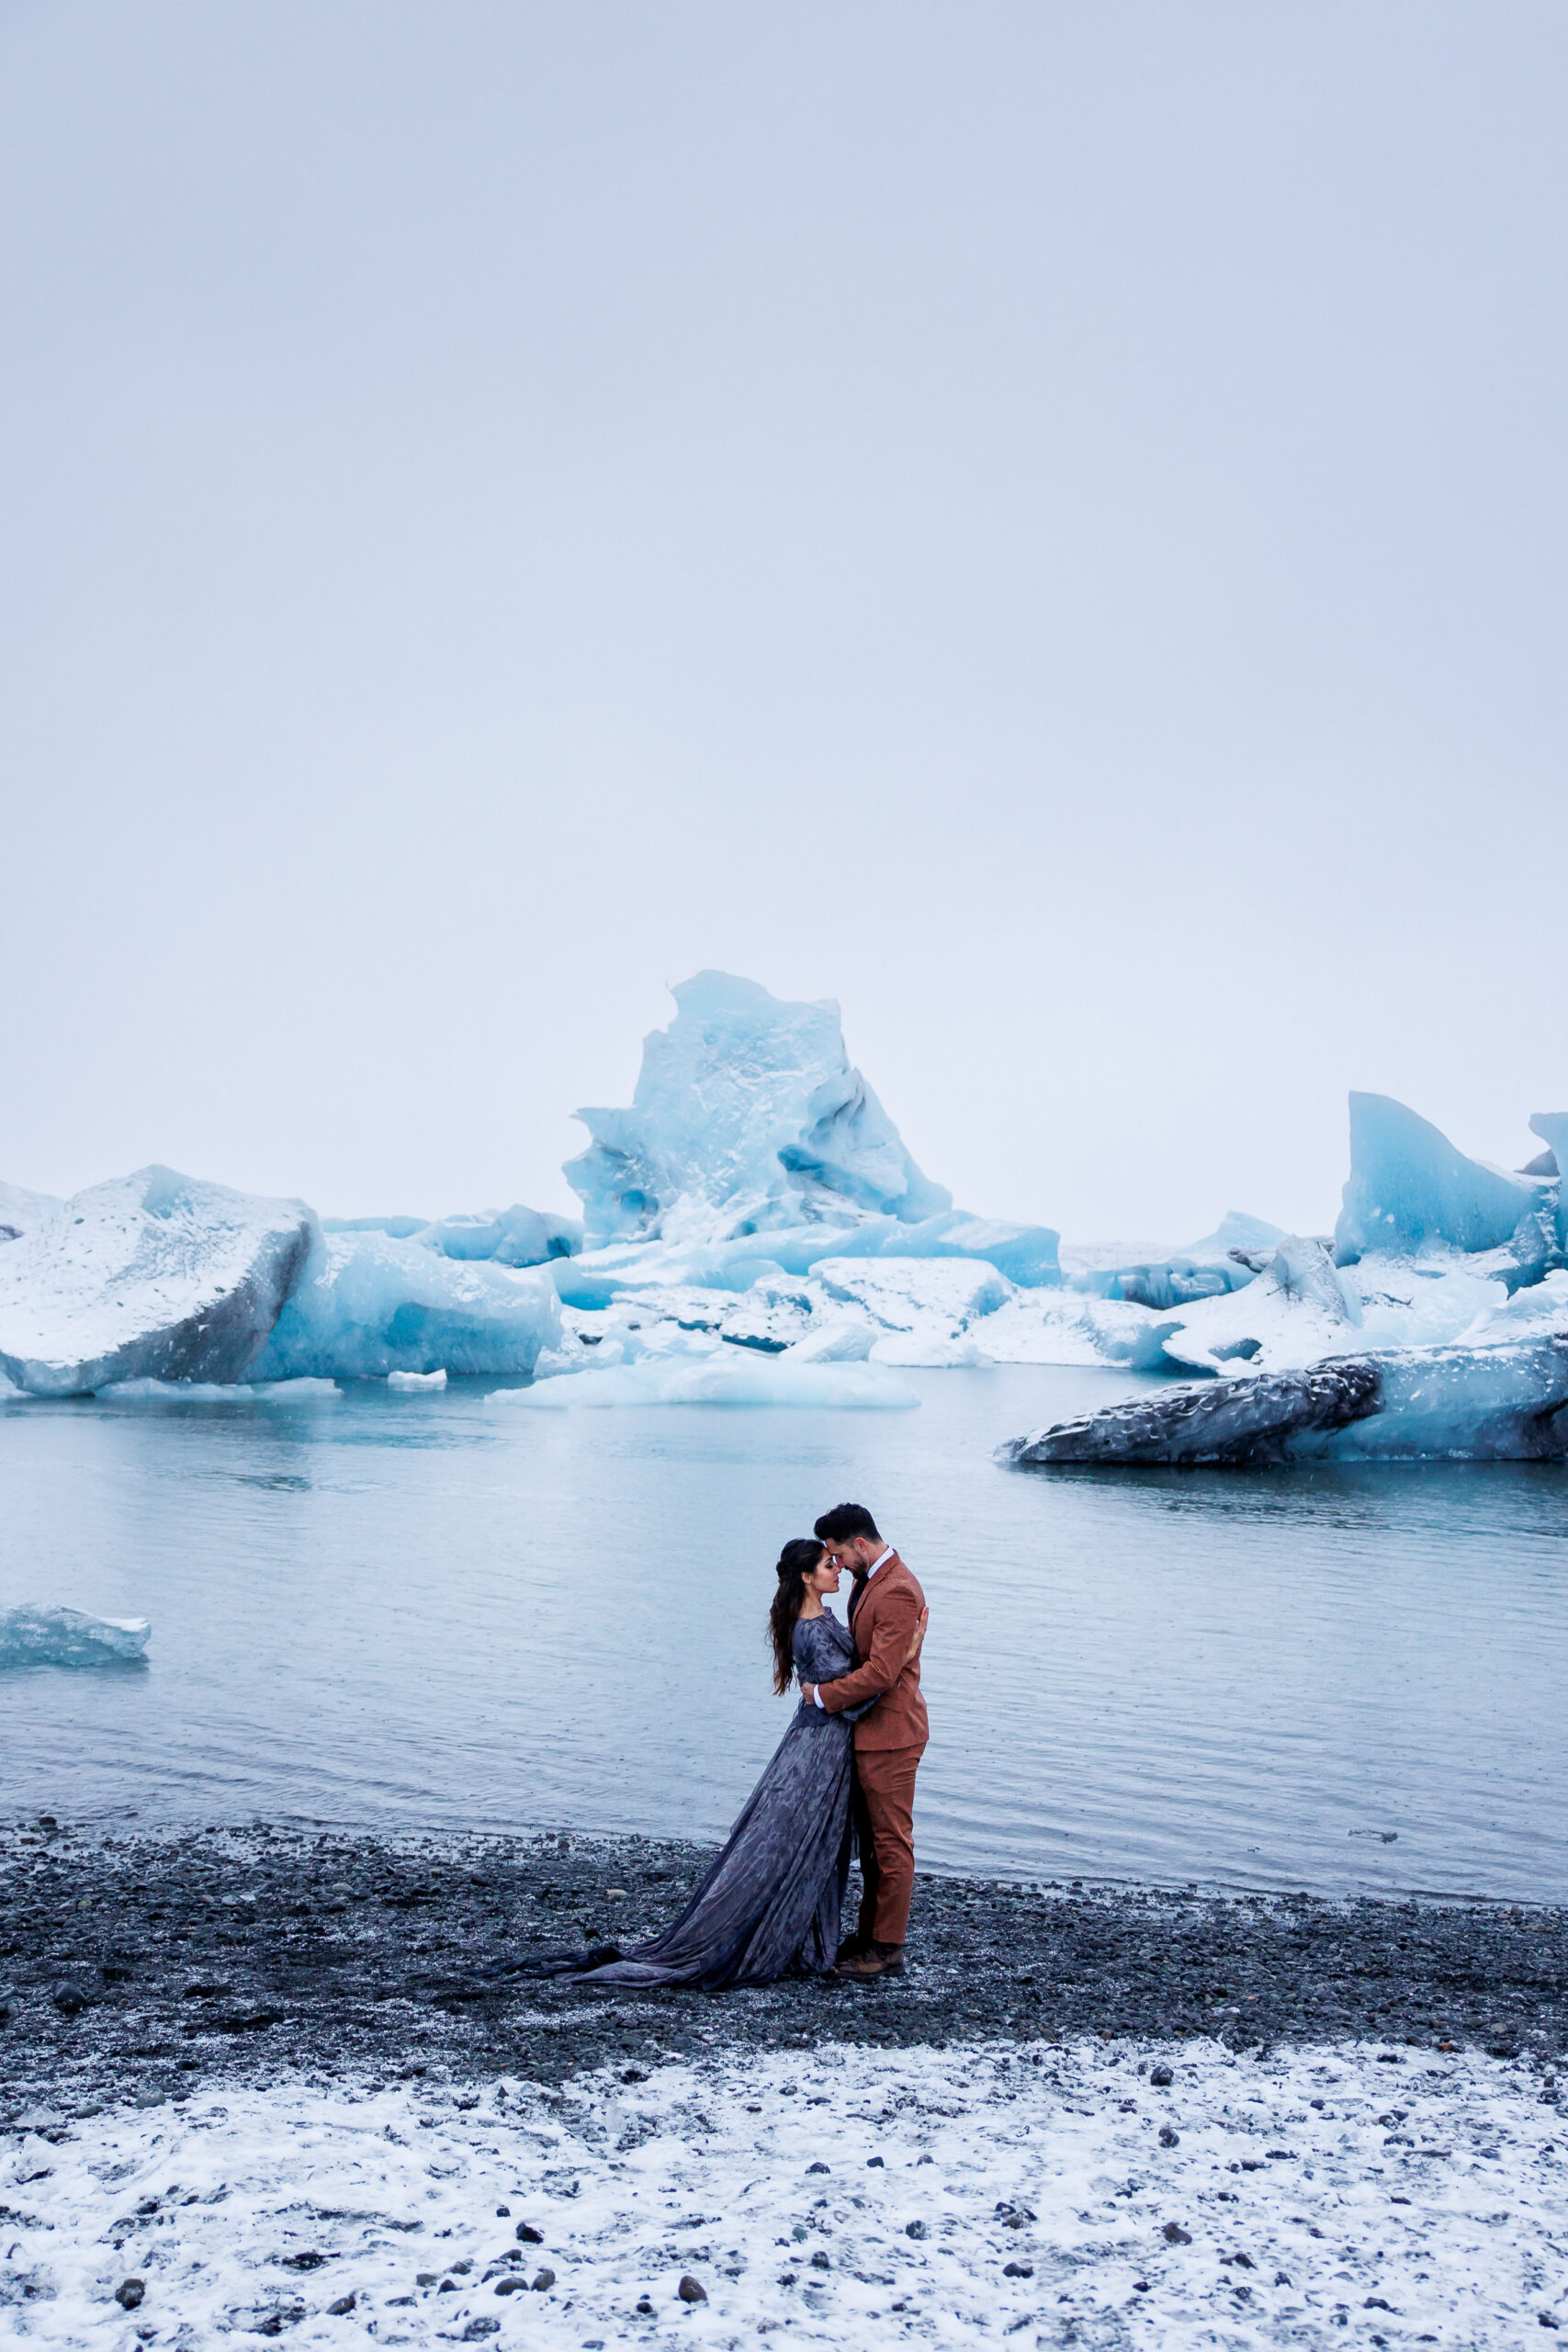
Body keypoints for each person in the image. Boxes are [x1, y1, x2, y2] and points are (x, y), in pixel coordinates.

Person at [505, 1538, 926, 1991]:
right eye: (829, 1564)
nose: (838, 1569)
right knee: (793, 1842)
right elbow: (848, 1701)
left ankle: (809, 1936)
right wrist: (902, 1655)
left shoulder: (821, 1617)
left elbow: (845, 1684)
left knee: (816, 1846)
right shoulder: (812, 1629)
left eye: (837, 1560)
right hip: (819, 1751)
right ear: (807, 1577)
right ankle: (765, 1935)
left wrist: (847, 1683)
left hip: (824, 1744)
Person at [798, 1503, 928, 1981]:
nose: (835, 1564)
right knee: (872, 1845)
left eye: (836, 1554)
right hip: (870, 1732)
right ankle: (868, 1934)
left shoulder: (895, 1590)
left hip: (892, 1737)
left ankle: (888, 1949)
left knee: (891, 1845)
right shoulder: (869, 1580)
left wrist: (821, 1695)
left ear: (859, 1543)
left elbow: (880, 1673)